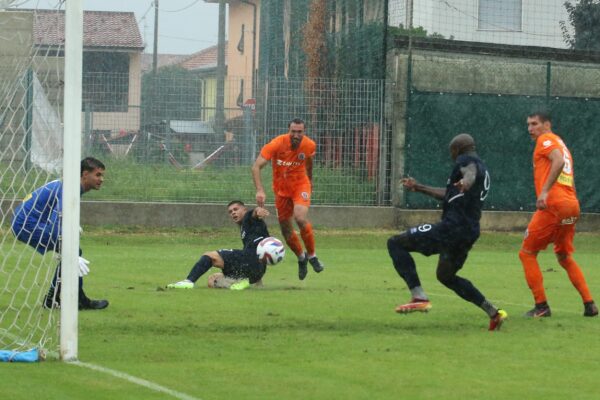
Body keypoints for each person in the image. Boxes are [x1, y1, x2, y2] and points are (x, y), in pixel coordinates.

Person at [387, 134, 507, 331]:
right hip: (468, 231)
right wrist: (418, 187)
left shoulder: (467, 161)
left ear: (457, 149)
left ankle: (419, 296)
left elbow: (470, 172)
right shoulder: (483, 167)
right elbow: (448, 194)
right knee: (446, 275)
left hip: (451, 228)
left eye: (452, 152)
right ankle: (493, 313)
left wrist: (466, 182)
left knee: (395, 243)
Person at [519, 112, 598, 318]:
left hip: (554, 205)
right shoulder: (560, 142)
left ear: (547, 124)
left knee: (526, 253)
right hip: (571, 205)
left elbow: (558, 161)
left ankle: (541, 306)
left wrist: (544, 192)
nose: (530, 128)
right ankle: (589, 304)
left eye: (534, 124)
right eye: (528, 125)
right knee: (563, 256)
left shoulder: (546, 139)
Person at [11, 157, 109, 310]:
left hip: (27, 221)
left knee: (73, 252)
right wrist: (68, 248)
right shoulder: (70, 187)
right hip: (27, 224)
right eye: (98, 175)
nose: (101, 179)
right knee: (73, 252)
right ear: (84, 174)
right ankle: (66, 299)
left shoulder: (69, 184)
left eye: (102, 175)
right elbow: (57, 219)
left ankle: (58, 298)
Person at [251, 118, 324, 281]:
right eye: (293, 131)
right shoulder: (276, 144)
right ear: (288, 131)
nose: (296, 135)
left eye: (300, 132)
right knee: (285, 228)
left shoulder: (309, 145)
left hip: (300, 186)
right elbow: (256, 166)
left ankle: (312, 256)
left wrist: (310, 181)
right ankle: (301, 257)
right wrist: (260, 190)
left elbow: (309, 161)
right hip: (281, 190)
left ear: (304, 132)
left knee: (300, 217)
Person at [167, 200, 272, 290]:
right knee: (212, 280)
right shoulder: (247, 228)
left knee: (210, 256)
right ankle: (240, 282)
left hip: (249, 260)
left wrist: (258, 211)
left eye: (236, 209)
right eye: (230, 212)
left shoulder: (248, 218)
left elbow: (254, 212)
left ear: (244, 209)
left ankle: (188, 281)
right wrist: (258, 280)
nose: (233, 213)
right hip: (256, 271)